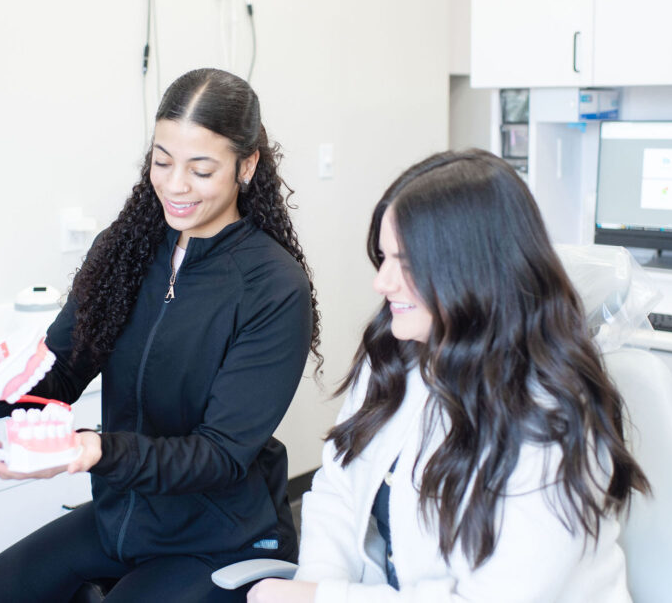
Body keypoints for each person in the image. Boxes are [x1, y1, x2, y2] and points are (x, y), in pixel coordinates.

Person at [0, 68, 322, 602]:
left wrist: (97, 451)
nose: (175, 184)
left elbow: (218, 455)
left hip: (218, 538)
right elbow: (62, 374)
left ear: (247, 165)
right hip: (124, 518)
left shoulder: (273, 287)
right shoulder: (126, 249)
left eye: (201, 168)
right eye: (162, 161)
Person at [249, 149, 648, 603]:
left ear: (474, 270)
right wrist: (317, 581)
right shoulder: (396, 353)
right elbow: (336, 490)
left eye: (408, 264)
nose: (382, 282)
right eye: (383, 258)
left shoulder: (551, 417)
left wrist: (322, 599)